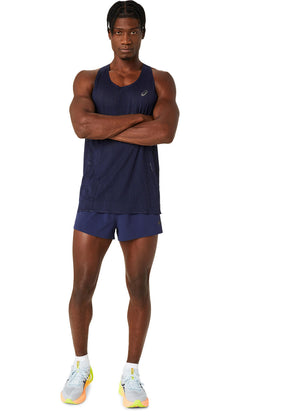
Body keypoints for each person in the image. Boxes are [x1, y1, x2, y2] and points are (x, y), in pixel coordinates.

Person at [61, 0, 179, 408]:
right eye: (119, 31)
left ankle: (131, 374)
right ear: (109, 34)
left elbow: (164, 133)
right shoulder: (88, 80)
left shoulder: (160, 81)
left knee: (138, 286)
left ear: (143, 33)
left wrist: (106, 128)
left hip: (140, 201)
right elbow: (82, 125)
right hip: (95, 199)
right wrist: (135, 119)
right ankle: (81, 365)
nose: (126, 39)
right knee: (82, 287)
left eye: (133, 31)